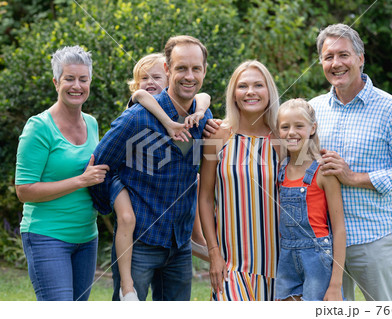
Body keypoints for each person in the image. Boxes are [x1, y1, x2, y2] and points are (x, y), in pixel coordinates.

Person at [89, 35, 212, 301]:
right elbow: (100, 167)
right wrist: (118, 207)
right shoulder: (137, 117)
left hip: (179, 244)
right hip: (139, 243)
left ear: (204, 71)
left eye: (196, 68)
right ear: (168, 70)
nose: (189, 76)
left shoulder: (204, 119)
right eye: (181, 68)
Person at [309, 24, 392, 301]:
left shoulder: (389, 108)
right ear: (321, 63)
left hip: (373, 239)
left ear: (360, 58)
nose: (336, 63)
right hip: (324, 243)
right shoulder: (313, 110)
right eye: (328, 57)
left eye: (344, 55)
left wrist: (354, 177)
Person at [15, 45, 109, 301]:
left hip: (87, 237)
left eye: (83, 79)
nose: (76, 85)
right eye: (69, 78)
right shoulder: (38, 128)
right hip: (47, 236)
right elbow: (24, 190)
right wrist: (81, 180)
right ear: (56, 82)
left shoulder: (91, 123)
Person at [199, 60, 281, 301]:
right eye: (242, 86)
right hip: (231, 265)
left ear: (269, 91)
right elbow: (204, 198)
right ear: (234, 94)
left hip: (279, 265)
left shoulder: (283, 138)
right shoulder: (218, 135)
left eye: (258, 85)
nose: (250, 92)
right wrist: (213, 253)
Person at [275, 98, 346, 301]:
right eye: (285, 127)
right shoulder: (281, 170)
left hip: (317, 258)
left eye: (299, 126)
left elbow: (339, 229)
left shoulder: (323, 171)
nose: (291, 132)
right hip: (286, 257)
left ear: (312, 128)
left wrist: (335, 284)